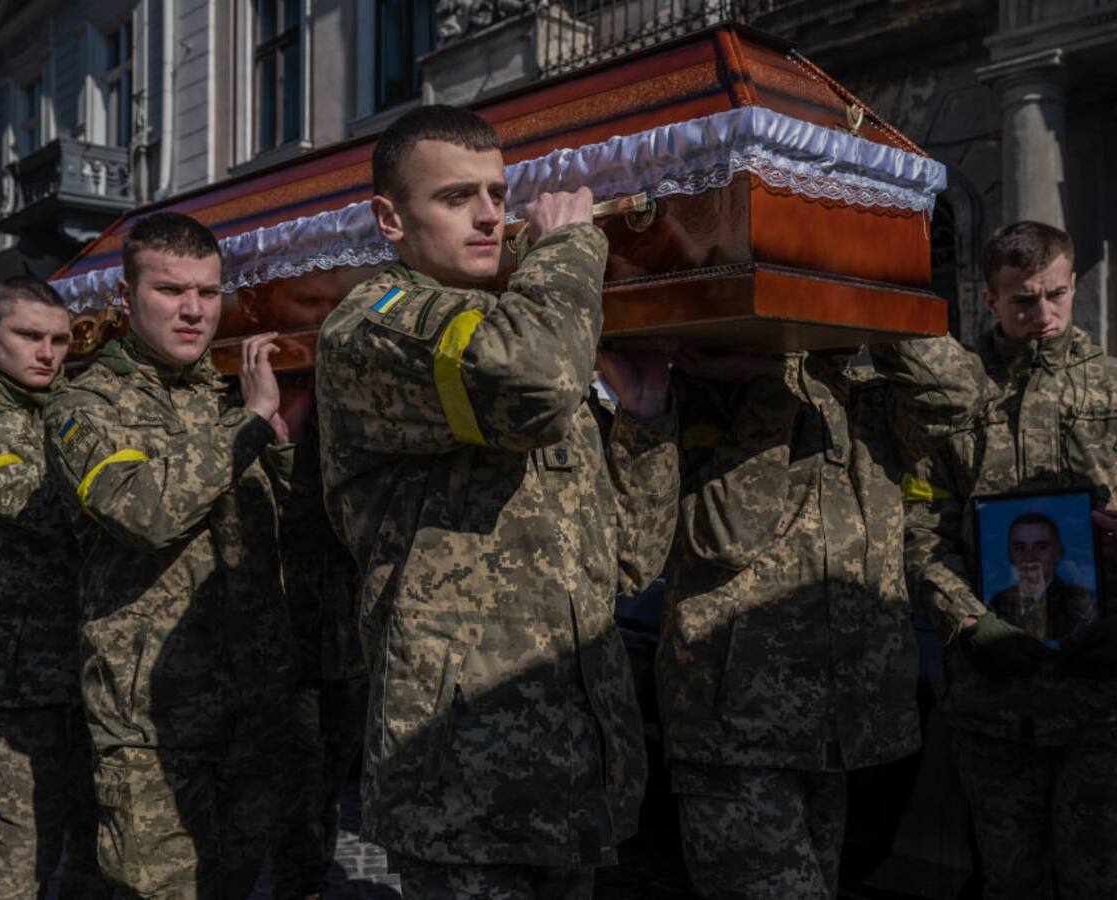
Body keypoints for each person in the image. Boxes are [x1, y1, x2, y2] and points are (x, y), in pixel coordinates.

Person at [315, 104, 679, 899]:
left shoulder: (520, 326)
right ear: (389, 218)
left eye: (497, 192)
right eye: (455, 198)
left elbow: (629, 562)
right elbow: (539, 377)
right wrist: (572, 249)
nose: (490, 216)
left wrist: (647, 421)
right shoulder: (376, 326)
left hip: (576, 764)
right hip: (463, 775)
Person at [656, 327, 987, 898]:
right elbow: (723, 534)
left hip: (840, 723)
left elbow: (959, 395)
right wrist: (765, 380)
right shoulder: (699, 385)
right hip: (738, 724)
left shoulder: (865, 392)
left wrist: (882, 312)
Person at [44, 212, 300, 898]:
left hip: (253, 703)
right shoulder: (83, 404)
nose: (193, 310)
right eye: (170, 291)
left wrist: (280, 444)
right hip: (153, 724)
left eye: (208, 293)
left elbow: (294, 526)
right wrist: (248, 423)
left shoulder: (227, 392)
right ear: (126, 301)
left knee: (234, 882)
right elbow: (142, 510)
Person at [904, 220, 1117, 898]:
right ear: (989, 300)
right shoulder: (955, 398)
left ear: (1072, 284)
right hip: (994, 704)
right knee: (1009, 880)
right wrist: (969, 622)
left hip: (1107, 700)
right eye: (1023, 301)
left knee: (1105, 881)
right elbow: (920, 532)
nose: (1043, 316)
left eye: (1055, 296)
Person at [0, 276, 107, 898]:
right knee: (28, 836)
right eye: (29, 336)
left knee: (97, 827)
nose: (47, 353)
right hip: (28, 660)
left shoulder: (75, 399)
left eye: (60, 339)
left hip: (100, 650)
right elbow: (22, 503)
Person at [269, 387, 369, 900]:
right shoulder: (277, 433)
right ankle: (300, 884)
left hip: (350, 644)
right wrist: (283, 440)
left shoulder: (357, 433)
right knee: (299, 786)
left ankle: (312, 876)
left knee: (328, 783)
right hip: (293, 649)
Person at [987, 512, 1095, 641]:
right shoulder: (998, 603)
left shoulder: (1083, 602)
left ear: (1058, 554)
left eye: (1041, 547)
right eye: (1020, 548)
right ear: (1010, 554)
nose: (1029, 557)